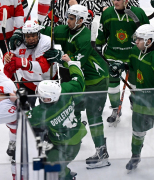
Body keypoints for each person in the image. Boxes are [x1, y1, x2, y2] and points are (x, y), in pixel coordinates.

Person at [38, 5, 111, 169]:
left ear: (81, 20)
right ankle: (75, 136)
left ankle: (102, 152)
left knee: (93, 115)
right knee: (71, 108)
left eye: (72, 18)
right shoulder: (64, 30)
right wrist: (25, 33)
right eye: (68, 17)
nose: (68, 21)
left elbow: (76, 62)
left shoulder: (84, 37)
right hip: (78, 78)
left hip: (96, 80)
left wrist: (59, 58)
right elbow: (43, 33)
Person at [110, 24, 154, 179]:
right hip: (142, 99)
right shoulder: (136, 51)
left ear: (149, 41)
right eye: (136, 38)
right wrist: (122, 66)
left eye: (139, 39)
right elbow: (132, 66)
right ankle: (135, 157)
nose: (136, 42)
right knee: (137, 132)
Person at [27, 56, 86, 180]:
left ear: (48, 98)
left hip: (65, 145)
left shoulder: (42, 112)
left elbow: (22, 119)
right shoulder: (65, 90)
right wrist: (70, 62)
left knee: (52, 168)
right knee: (45, 160)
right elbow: (79, 79)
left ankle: (66, 176)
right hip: (74, 134)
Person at [96, 0, 149, 123]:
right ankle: (116, 109)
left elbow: (147, 33)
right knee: (112, 86)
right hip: (112, 55)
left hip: (133, 56)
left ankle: (135, 102)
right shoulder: (108, 13)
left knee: (136, 85)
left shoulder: (138, 13)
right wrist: (98, 45)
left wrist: (142, 45)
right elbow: (102, 33)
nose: (115, 2)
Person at [4, 20, 57, 108]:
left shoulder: (47, 42)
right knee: (23, 111)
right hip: (27, 83)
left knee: (48, 113)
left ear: (38, 34)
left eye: (34, 35)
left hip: (47, 84)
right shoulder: (18, 42)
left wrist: (21, 63)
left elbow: (43, 67)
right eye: (28, 36)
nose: (31, 39)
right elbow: (9, 64)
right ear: (24, 36)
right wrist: (7, 58)